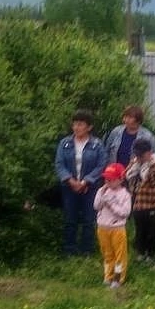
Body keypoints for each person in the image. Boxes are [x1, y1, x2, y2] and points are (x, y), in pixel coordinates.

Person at [54, 110, 106, 256]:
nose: (77, 127)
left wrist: (86, 181)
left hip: (90, 188)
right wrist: (70, 180)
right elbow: (59, 164)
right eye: (75, 124)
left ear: (89, 127)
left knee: (89, 220)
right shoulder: (64, 143)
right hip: (69, 187)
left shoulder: (97, 144)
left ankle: (86, 251)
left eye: (81, 124)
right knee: (70, 219)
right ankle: (69, 250)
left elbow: (101, 165)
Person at [125, 137, 155, 262]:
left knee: (151, 229)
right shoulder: (135, 162)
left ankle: (151, 253)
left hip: (151, 201)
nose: (139, 157)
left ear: (149, 152)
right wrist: (134, 166)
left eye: (142, 155)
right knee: (139, 228)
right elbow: (127, 175)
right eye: (137, 155)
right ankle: (140, 252)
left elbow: (150, 179)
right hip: (137, 201)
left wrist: (142, 167)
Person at [94, 163, 132, 287]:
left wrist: (111, 205)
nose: (108, 181)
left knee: (119, 254)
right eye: (106, 179)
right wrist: (101, 196)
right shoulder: (102, 190)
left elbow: (125, 213)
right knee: (107, 254)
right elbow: (96, 206)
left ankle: (118, 278)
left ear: (121, 179)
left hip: (117, 228)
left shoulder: (125, 194)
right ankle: (108, 276)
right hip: (102, 227)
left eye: (111, 179)